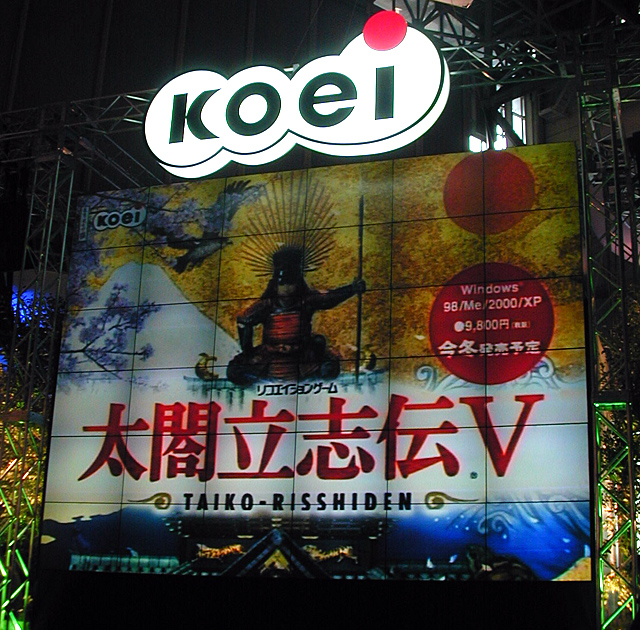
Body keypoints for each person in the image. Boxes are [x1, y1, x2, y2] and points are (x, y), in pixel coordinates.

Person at [227, 247, 365, 385]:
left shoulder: (306, 301)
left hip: (302, 356)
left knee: (328, 366)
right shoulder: (266, 305)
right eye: (282, 283)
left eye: (291, 282)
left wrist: (351, 289)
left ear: (298, 282)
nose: (287, 288)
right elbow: (244, 320)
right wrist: (248, 352)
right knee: (235, 370)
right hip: (270, 356)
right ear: (275, 285)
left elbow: (328, 298)